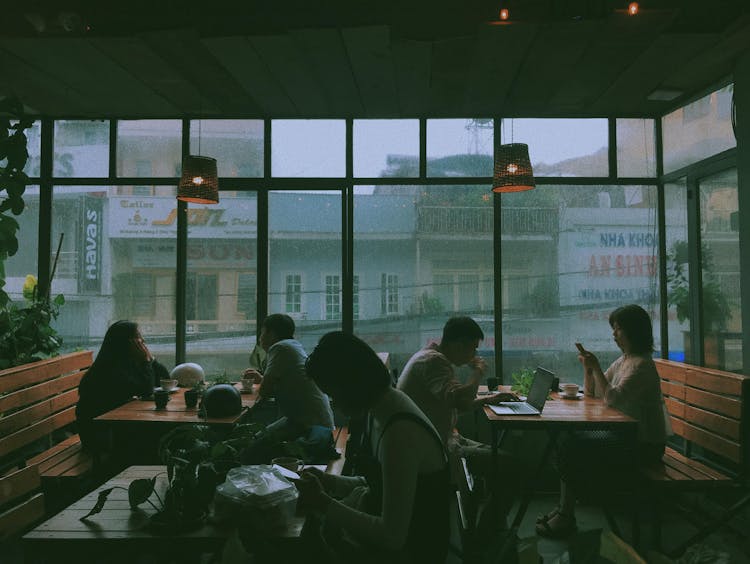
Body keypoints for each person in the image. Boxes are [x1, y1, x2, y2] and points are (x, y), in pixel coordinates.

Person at [296, 331, 451, 564]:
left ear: (351, 383)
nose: (334, 404)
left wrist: (323, 502)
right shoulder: (381, 409)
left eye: (332, 393)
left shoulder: (399, 433)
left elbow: (392, 537)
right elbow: (381, 485)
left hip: (412, 554)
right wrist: (330, 482)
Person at [536, 304, 670, 538]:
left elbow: (612, 399)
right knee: (570, 441)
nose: (614, 335)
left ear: (633, 331)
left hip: (644, 446)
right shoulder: (626, 360)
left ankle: (566, 515)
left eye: (618, 329)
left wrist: (596, 367)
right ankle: (564, 510)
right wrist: (588, 370)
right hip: (627, 436)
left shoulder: (642, 366)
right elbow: (593, 394)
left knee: (572, 446)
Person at [396, 317, 517, 483]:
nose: (474, 355)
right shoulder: (433, 362)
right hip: (435, 447)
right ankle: (482, 507)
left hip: (445, 438)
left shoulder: (429, 356)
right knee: (509, 465)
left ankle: (474, 505)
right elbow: (461, 401)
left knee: (499, 459)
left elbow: (454, 403)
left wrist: (489, 399)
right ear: (459, 345)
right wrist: (478, 372)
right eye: (473, 349)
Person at [241, 314, 335, 459]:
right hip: (314, 421)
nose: (260, 338)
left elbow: (265, 392)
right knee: (258, 439)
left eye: (262, 333)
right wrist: (262, 379)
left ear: (271, 334)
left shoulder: (280, 348)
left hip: (309, 427)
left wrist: (263, 382)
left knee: (252, 447)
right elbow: (285, 381)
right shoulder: (292, 346)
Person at [76, 320, 169, 453]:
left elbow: (165, 379)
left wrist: (151, 359)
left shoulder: (124, 363)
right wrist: (145, 361)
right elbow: (146, 390)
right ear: (126, 343)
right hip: (99, 437)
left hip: (111, 430)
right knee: (158, 439)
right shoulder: (109, 370)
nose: (142, 340)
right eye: (138, 337)